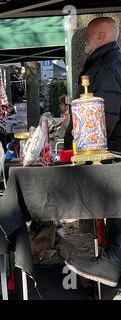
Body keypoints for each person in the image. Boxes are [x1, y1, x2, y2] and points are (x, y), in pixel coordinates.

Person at [64, 17, 121, 290]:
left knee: (117, 208)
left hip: (114, 152)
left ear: (101, 36)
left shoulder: (108, 65)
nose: (84, 39)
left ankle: (113, 262)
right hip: (112, 151)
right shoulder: (107, 62)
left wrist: (89, 151)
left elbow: (104, 118)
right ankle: (112, 261)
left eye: (88, 34)